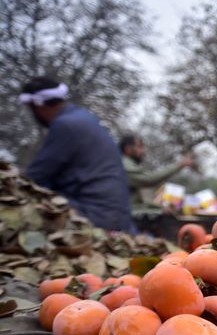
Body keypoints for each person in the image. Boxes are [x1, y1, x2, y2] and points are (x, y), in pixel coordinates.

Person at [19, 76, 133, 231]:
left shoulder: (65, 124)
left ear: (38, 106)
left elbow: (36, 177)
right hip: (113, 215)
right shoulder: (83, 117)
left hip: (94, 215)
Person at [119, 135, 194, 207]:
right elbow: (149, 179)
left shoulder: (126, 163)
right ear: (128, 149)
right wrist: (180, 164)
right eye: (139, 147)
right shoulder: (124, 164)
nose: (143, 151)